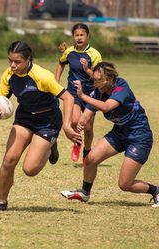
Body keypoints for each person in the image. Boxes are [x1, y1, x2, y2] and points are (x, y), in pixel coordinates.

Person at [0, 41, 81, 212]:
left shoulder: (42, 76)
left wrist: (66, 126)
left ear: (28, 59)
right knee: (9, 160)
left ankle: (50, 147)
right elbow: (1, 101)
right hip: (25, 117)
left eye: (17, 62)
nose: (13, 65)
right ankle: (1, 202)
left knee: (30, 169)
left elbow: (68, 98)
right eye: (10, 61)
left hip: (48, 121)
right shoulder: (8, 75)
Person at [61, 62, 159, 208]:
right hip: (119, 133)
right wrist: (80, 123)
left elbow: (106, 106)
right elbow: (88, 112)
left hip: (139, 137)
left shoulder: (121, 87)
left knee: (125, 184)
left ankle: (157, 191)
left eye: (98, 80)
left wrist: (82, 96)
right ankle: (85, 193)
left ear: (110, 79)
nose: (95, 83)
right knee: (90, 159)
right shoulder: (98, 91)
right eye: (94, 79)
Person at [55, 23, 102, 165]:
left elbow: (98, 76)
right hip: (73, 92)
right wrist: (55, 81)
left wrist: (87, 69)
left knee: (87, 128)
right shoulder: (69, 51)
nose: (79, 38)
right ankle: (77, 143)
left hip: (90, 94)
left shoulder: (94, 54)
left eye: (82, 35)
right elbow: (61, 63)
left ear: (88, 36)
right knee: (75, 121)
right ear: (73, 36)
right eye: (77, 35)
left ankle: (87, 151)